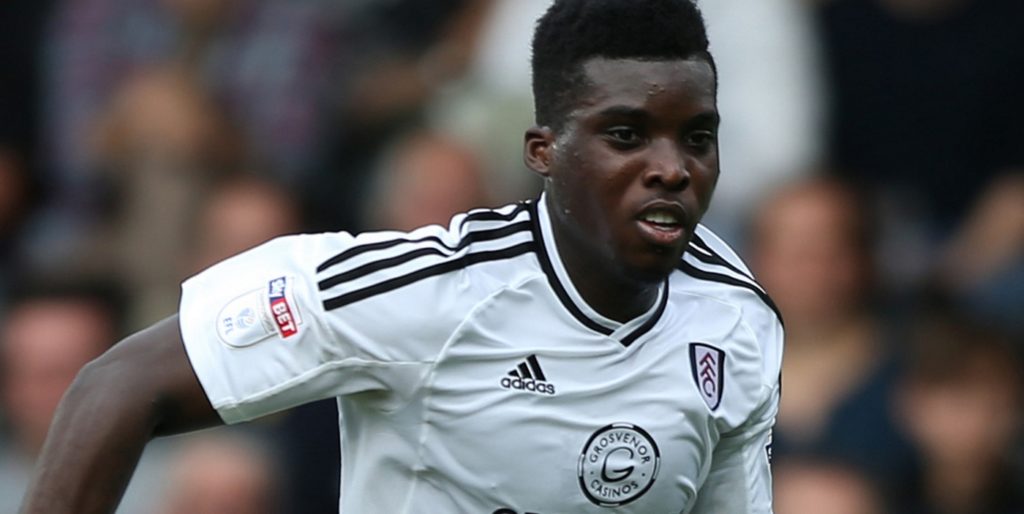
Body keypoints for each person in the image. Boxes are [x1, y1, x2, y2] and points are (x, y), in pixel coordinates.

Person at [21, 0, 784, 512]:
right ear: (543, 153)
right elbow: (114, 387)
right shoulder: (425, 291)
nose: (671, 168)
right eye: (626, 135)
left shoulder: (737, 320)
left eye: (697, 138)